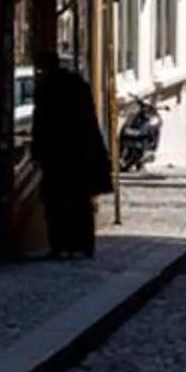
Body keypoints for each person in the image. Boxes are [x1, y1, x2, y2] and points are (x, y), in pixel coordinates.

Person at [31, 25, 113, 258]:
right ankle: (85, 245)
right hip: (82, 154)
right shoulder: (79, 84)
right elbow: (89, 119)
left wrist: (37, 152)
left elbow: (42, 123)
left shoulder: (46, 88)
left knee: (56, 203)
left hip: (57, 154)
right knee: (80, 202)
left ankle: (60, 245)